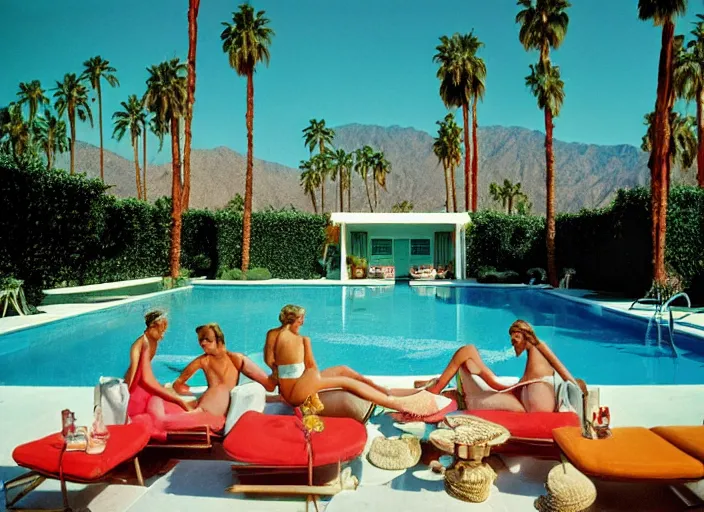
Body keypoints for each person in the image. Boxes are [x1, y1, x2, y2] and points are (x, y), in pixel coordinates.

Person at [271, 304, 451, 417]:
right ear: (295, 320)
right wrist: (308, 382)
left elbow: (272, 365)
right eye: (301, 318)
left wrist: (285, 384)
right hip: (297, 393)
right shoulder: (302, 340)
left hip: (294, 387)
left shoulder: (274, 335)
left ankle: (382, 390)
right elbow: (311, 367)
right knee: (344, 380)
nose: (303, 322)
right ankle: (396, 403)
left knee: (342, 369)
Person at [416, 320, 584, 413]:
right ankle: (436, 389)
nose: (513, 343)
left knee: (467, 351)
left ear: (522, 334)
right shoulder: (536, 354)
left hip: (525, 403)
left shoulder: (539, 348)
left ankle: (436, 390)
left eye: (515, 338)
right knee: (468, 352)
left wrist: (577, 389)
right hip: (523, 399)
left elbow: (560, 369)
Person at [171, 323, 278, 417]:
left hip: (225, 404)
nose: (203, 343)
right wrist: (197, 395)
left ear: (219, 340)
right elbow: (178, 384)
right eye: (200, 340)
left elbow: (268, 385)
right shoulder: (203, 361)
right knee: (218, 391)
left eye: (208, 339)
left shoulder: (236, 359)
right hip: (210, 403)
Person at [124, 310, 193, 412]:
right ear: (152, 326)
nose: (162, 336)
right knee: (177, 407)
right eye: (161, 331)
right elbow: (143, 379)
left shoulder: (151, 342)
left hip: (140, 388)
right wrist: (179, 401)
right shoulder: (141, 345)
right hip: (134, 394)